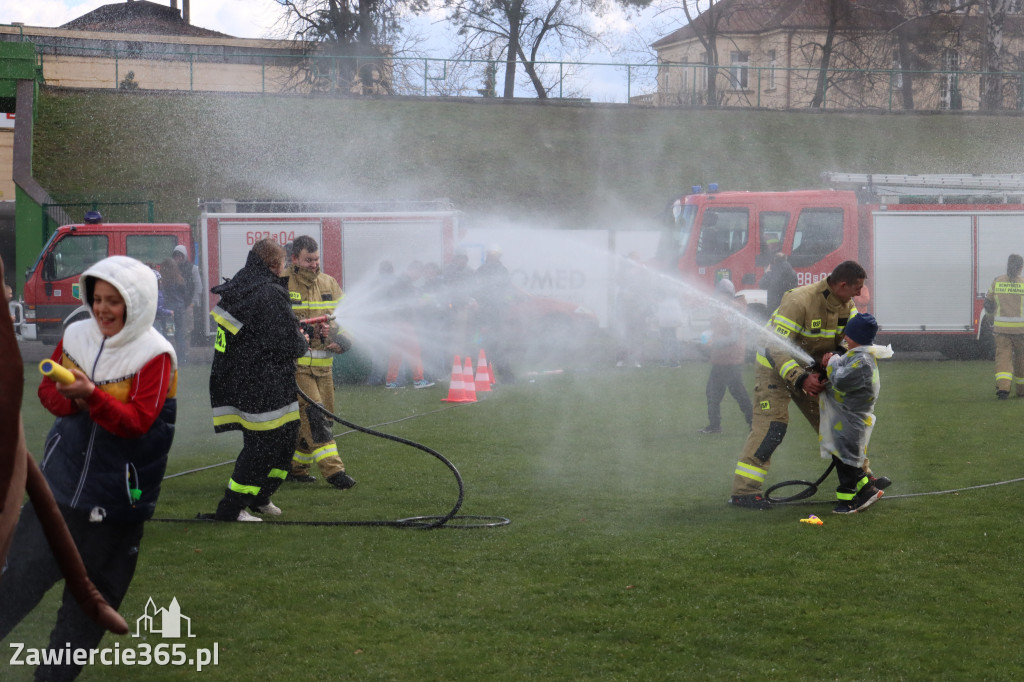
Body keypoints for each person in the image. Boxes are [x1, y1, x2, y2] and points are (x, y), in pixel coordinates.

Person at [0, 256, 177, 680]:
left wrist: (91, 396)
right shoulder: (76, 333)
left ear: (136, 303)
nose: (101, 309)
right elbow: (48, 393)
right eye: (96, 298)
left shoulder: (157, 354)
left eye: (114, 301)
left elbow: (137, 424)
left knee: (82, 621)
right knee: (12, 591)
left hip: (115, 508)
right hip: (57, 497)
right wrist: (75, 399)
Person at [729, 260, 890, 510]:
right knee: (773, 426)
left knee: (837, 423)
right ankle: (744, 491)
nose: (860, 293)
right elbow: (777, 347)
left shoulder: (847, 304)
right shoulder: (799, 300)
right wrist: (801, 379)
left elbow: (849, 342)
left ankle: (862, 478)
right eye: (857, 287)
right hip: (774, 369)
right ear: (842, 284)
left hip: (811, 371)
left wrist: (831, 363)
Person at [207, 239, 308, 521]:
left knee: (286, 438)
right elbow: (288, 342)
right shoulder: (266, 293)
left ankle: (260, 496)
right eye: (284, 262)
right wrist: (302, 341)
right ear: (274, 265)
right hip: (260, 382)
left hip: (258, 378)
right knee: (262, 445)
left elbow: (262, 332)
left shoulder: (244, 285)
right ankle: (233, 507)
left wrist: (294, 332)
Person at [286, 235, 357, 489]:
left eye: (316, 259)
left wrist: (342, 339)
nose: (314, 264)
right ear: (294, 258)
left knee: (323, 421)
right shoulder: (283, 283)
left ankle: (296, 468)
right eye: (308, 260)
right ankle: (334, 472)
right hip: (297, 368)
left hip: (325, 368)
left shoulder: (329, 283)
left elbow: (347, 320)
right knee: (316, 416)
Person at [820, 313, 890, 514]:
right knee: (844, 457)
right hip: (847, 417)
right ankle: (866, 487)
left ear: (854, 337)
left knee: (846, 461)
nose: (844, 338)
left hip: (853, 419)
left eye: (847, 335)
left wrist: (832, 362)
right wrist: (834, 360)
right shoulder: (859, 356)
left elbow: (840, 379)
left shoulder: (863, 362)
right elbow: (843, 364)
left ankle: (849, 501)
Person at [699, 278, 753, 434]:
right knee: (718, 392)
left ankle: (752, 424)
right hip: (722, 359)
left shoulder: (733, 310)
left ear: (726, 295)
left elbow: (733, 338)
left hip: (730, 360)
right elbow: (718, 332)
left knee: (734, 393)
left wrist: (714, 342)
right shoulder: (724, 309)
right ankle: (716, 425)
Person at [384, 261, 435, 389]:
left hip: (396, 321)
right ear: (414, 270)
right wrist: (422, 301)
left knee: (397, 351)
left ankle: (391, 381)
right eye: (419, 273)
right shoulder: (404, 282)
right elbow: (407, 302)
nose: (419, 277)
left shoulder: (401, 281)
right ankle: (418, 380)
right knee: (414, 350)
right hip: (402, 322)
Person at [984, 253, 1024, 400]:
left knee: (1003, 359)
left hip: (1001, 330)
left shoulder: (997, 281)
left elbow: (987, 304)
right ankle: (1021, 390)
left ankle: (1003, 390)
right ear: (1021, 267)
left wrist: (991, 319)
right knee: (1021, 360)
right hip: (1021, 331)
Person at [473, 245, 515, 382]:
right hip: (486, 314)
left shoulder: (502, 271)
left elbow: (507, 290)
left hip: (497, 314)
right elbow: (477, 293)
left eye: (496, 255)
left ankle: (499, 373)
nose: (494, 257)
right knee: (487, 344)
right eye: (492, 255)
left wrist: (506, 304)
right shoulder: (481, 271)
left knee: (496, 344)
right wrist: (483, 320)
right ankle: (491, 373)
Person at [159, 256, 189, 364]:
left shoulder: (162, 281)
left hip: (168, 311)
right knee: (180, 334)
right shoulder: (179, 279)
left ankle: (168, 359)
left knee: (168, 334)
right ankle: (182, 359)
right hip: (179, 309)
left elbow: (161, 295)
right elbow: (185, 294)